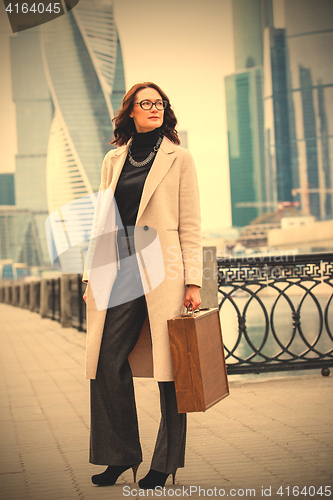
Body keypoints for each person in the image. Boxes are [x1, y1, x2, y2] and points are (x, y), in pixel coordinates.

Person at [82, 82, 202, 489]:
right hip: (120, 269)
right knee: (105, 360)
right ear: (130, 111)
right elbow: (103, 224)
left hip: (164, 270)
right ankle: (120, 455)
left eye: (159, 103)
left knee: (172, 370)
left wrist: (193, 281)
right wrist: (90, 276)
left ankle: (164, 463)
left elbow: (190, 224)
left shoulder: (178, 158)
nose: (154, 108)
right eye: (145, 103)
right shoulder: (113, 159)